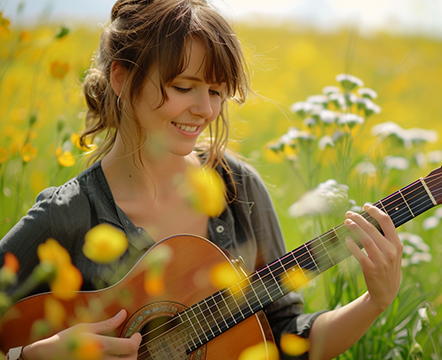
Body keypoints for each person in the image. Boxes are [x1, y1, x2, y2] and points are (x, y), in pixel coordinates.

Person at [0, 0, 403, 359]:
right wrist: (32, 355)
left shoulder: (236, 188)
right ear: (121, 78)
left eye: (216, 92)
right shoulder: (68, 213)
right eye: (183, 87)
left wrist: (373, 302)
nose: (205, 109)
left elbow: (283, 338)